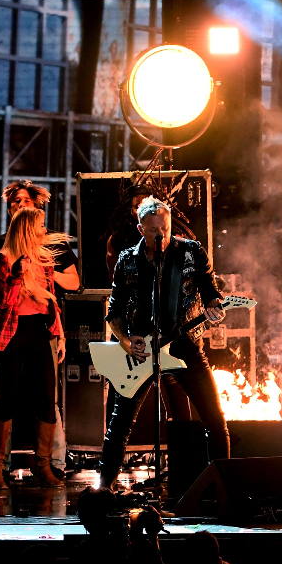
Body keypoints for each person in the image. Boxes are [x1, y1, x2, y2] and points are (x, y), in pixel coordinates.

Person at [100, 197, 229, 490]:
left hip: (184, 345)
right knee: (119, 426)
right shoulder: (127, 260)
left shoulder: (191, 252)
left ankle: (223, 487)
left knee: (215, 419)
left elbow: (211, 291)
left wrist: (213, 306)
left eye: (166, 228)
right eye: (154, 230)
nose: (161, 235)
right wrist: (125, 341)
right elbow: (115, 312)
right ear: (140, 228)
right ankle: (102, 490)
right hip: (142, 350)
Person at [0, 181, 79, 480]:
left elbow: (53, 297)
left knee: (46, 398)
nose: (43, 228)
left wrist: (61, 334)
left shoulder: (46, 257)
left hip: (42, 330)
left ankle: (44, 465)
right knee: (7, 398)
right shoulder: (4, 255)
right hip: (12, 331)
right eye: (38, 225)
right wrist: (16, 276)